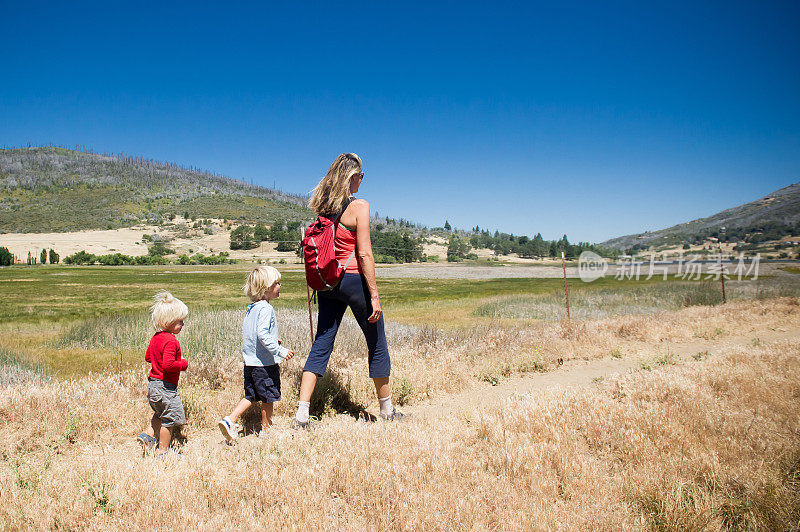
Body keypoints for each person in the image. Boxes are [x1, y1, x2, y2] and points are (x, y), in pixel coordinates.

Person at [294, 153, 404, 428]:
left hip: (330, 284)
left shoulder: (324, 209)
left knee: (322, 343)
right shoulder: (360, 207)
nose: (362, 180)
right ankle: (387, 410)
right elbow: (365, 254)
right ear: (350, 177)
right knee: (376, 341)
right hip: (354, 280)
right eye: (360, 175)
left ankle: (302, 414)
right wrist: (375, 295)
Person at [218, 266, 294, 441]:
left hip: (250, 363)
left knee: (251, 396)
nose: (279, 286)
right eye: (276, 283)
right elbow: (262, 335)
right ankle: (267, 430)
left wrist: (274, 341)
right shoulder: (266, 308)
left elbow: (255, 335)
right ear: (266, 288)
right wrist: (280, 351)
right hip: (264, 364)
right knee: (268, 396)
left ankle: (231, 419)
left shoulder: (251, 308)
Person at [136, 291, 189, 456]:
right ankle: (162, 451)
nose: (182, 324)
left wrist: (157, 361)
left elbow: (147, 357)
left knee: (159, 413)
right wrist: (183, 364)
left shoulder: (155, 338)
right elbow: (168, 365)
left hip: (153, 385)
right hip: (166, 387)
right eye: (180, 321)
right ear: (168, 322)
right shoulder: (171, 341)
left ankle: (148, 436)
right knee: (170, 418)